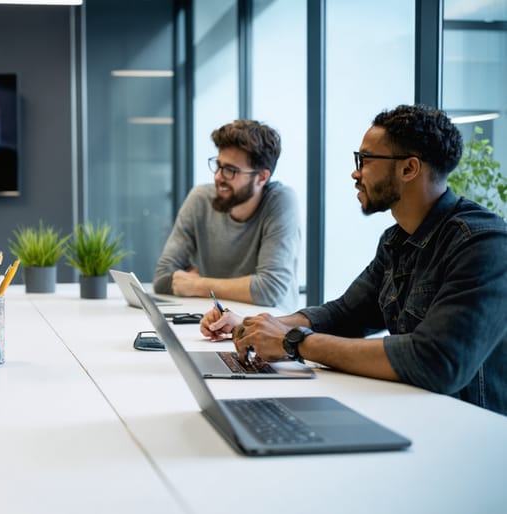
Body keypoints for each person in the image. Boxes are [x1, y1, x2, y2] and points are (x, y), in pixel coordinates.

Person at [203, 104, 507, 416]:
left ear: (408, 169)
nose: (355, 172)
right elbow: (345, 314)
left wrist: (294, 341)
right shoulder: (396, 240)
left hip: (472, 431)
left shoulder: (483, 244)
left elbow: (437, 360)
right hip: (419, 414)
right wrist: (261, 327)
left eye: (365, 160)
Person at [153, 119, 300, 311]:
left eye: (231, 170)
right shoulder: (200, 199)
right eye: (219, 165)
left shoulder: (281, 202)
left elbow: (269, 289)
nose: (218, 177)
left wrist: (197, 285)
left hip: (267, 327)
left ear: (262, 177)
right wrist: (236, 288)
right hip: (211, 323)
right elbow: (163, 278)